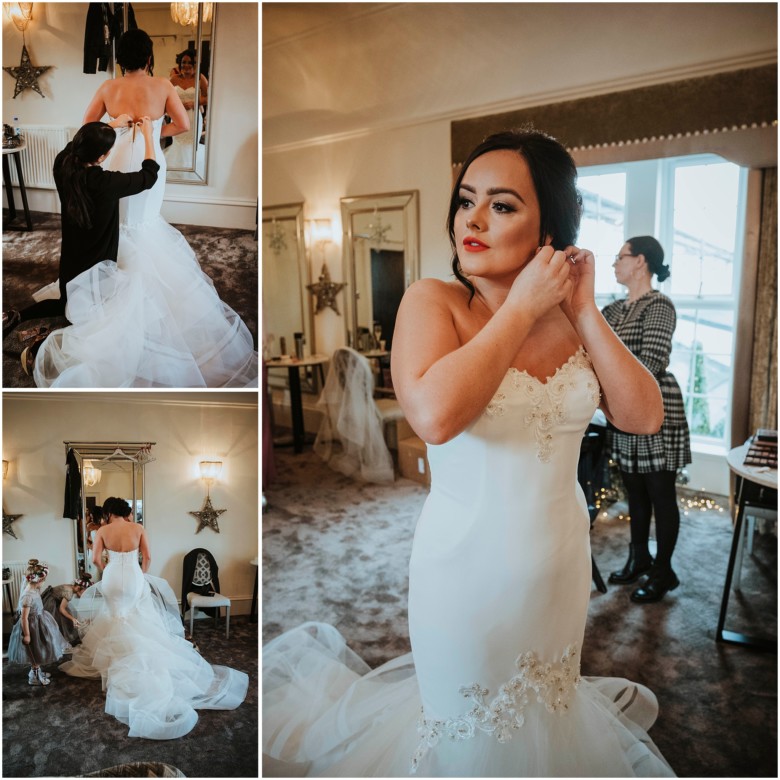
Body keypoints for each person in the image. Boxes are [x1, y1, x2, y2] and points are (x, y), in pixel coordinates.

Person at [262, 129, 675, 776]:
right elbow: (434, 417)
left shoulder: (576, 321)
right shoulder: (435, 302)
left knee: (547, 719)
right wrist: (518, 312)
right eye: (465, 201)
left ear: (550, 229)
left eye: (503, 205)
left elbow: (642, 416)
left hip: (559, 565)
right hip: (464, 573)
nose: (473, 221)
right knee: (469, 737)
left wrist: (586, 311)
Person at [29, 28, 258, 388]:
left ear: (120, 60)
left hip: (117, 153)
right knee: (144, 219)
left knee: (116, 217)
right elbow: (182, 125)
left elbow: (87, 126)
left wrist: (118, 128)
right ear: (149, 58)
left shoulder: (108, 88)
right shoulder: (163, 85)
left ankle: (107, 268)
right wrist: (150, 133)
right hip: (147, 155)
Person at [61, 497, 248, 739]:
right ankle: (136, 659)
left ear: (108, 513)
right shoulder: (138, 528)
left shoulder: (104, 531)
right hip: (133, 578)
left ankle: (119, 662)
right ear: (126, 512)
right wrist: (140, 576)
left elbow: (96, 559)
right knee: (137, 618)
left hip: (111, 578)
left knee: (115, 617)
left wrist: (108, 568)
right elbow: (147, 557)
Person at [2, 118, 159, 374]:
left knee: (67, 302)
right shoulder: (106, 183)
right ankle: (40, 348)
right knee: (94, 321)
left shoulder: (62, 164)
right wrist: (149, 135)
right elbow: (148, 176)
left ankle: (12, 316)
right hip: (96, 264)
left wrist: (109, 123)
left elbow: (72, 146)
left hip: (71, 258)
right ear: (101, 157)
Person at [602, 236, 691, 602]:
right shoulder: (610, 311)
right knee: (634, 492)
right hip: (623, 412)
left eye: (619, 257)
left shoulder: (660, 305)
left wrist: (609, 388)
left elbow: (652, 361)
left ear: (640, 262)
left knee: (660, 493)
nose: (614, 264)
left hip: (656, 410)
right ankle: (639, 558)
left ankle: (663, 570)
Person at [6, 559, 70, 686]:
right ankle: (34, 676)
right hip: (32, 627)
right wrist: (27, 634)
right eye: (44, 579)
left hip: (40, 622)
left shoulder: (34, 590)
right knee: (34, 651)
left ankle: (36, 670)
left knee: (40, 649)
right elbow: (24, 618)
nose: (44, 582)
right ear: (39, 580)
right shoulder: (27, 596)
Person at [165, 48, 208, 169]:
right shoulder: (174, 79)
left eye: (189, 62)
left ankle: (193, 169)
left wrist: (194, 103)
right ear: (180, 63)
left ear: (195, 64)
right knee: (178, 144)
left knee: (191, 144)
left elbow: (208, 98)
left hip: (194, 117)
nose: (186, 65)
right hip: (178, 117)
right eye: (184, 62)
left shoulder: (200, 78)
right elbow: (167, 98)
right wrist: (178, 105)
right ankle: (178, 171)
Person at [41, 576, 91, 645]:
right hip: (51, 604)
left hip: (55, 601)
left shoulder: (71, 587)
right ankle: (66, 640)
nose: (84, 594)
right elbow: (62, 609)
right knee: (65, 620)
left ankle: (68, 638)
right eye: (84, 591)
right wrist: (73, 619)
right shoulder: (69, 592)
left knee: (67, 617)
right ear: (79, 588)